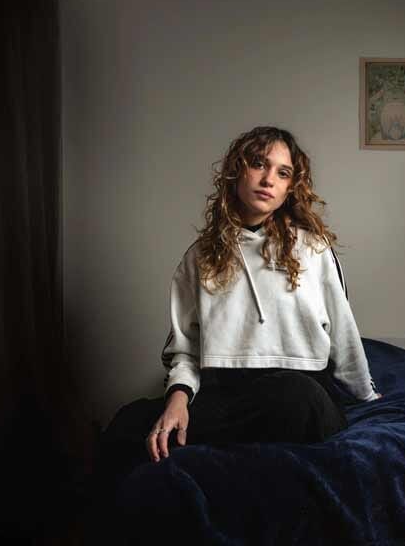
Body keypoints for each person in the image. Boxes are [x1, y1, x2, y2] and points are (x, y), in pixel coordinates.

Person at [95, 126, 381, 488]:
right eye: (258, 164)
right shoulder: (199, 258)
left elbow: (343, 331)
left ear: (291, 187)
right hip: (230, 396)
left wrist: (367, 395)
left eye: (283, 172)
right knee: (128, 422)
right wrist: (178, 401)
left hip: (301, 391)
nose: (268, 180)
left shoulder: (313, 249)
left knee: (295, 396)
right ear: (236, 171)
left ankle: (212, 443)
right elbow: (186, 350)